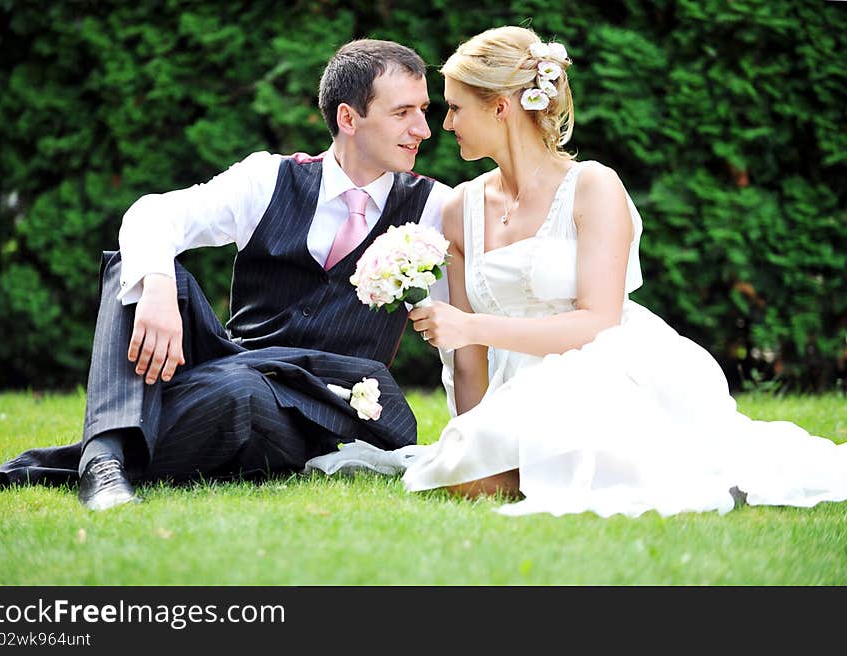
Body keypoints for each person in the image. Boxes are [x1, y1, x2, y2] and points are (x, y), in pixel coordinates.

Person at [309, 25, 847, 518]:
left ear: (500, 107)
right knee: (463, 478)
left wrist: (472, 327)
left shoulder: (593, 187)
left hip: (602, 370)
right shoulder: (460, 208)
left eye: (454, 108)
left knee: (574, 470)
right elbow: (466, 356)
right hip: (515, 389)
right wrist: (464, 434)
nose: (440, 125)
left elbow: (597, 323)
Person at [0, 39, 451, 511]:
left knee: (237, 393)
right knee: (132, 268)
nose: (423, 130)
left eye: (423, 110)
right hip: (232, 365)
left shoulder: (435, 208)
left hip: (323, 408)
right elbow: (152, 214)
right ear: (348, 118)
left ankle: (70, 465)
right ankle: (105, 462)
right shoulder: (268, 178)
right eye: (402, 112)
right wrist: (156, 286)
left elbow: (467, 327)